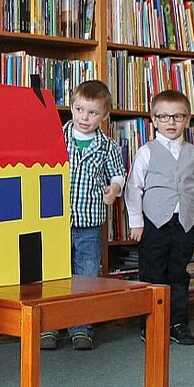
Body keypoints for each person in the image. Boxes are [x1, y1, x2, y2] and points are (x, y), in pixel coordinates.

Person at [42, 80, 125, 351]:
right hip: (55, 220)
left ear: (104, 115)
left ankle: (81, 327)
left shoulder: (107, 147)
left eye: (92, 113)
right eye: (79, 110)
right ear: (71, 107)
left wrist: (114, 189)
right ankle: (49, 326)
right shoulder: (56, 136)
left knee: (86, 275)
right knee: (54, 274)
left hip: (89, 223)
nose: (84, 118)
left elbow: (118, 174)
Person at [125, 90, 194, 346]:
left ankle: (177, 324)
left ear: (187, 120)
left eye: (177, 116)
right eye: (164, 117)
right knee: (152, 275)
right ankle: (151, 324)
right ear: (154, 120)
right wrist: (136, 222)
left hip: (184, 225)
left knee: (178, 274)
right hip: (154, 225)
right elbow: (133, 188)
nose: (171, 122)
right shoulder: (146, 151)